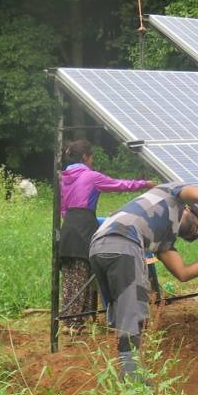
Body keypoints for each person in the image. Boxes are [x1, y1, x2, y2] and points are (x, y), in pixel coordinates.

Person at [88, 183, 198, 379]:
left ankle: (125, 372)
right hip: (125, 242)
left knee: (120, 314)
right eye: (197, 224)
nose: (194, 230)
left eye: (192, 235)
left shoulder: (164, 240)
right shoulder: (172, 192)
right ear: (190, 209)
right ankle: (133, 383)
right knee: (133, 317)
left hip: (98, 246)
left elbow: (183, 274)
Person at [58, 140, 154, 331]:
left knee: (72, 274)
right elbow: (118, 184)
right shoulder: (90, 176)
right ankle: (73, 322)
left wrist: (72, 221)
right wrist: (144, 184)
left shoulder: (63, 178)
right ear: (85, 157)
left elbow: (62, 209)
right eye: (91, 157)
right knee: (83, 273)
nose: (92, 160)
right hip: (84, 225)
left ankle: (74, 319)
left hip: (68, 225)